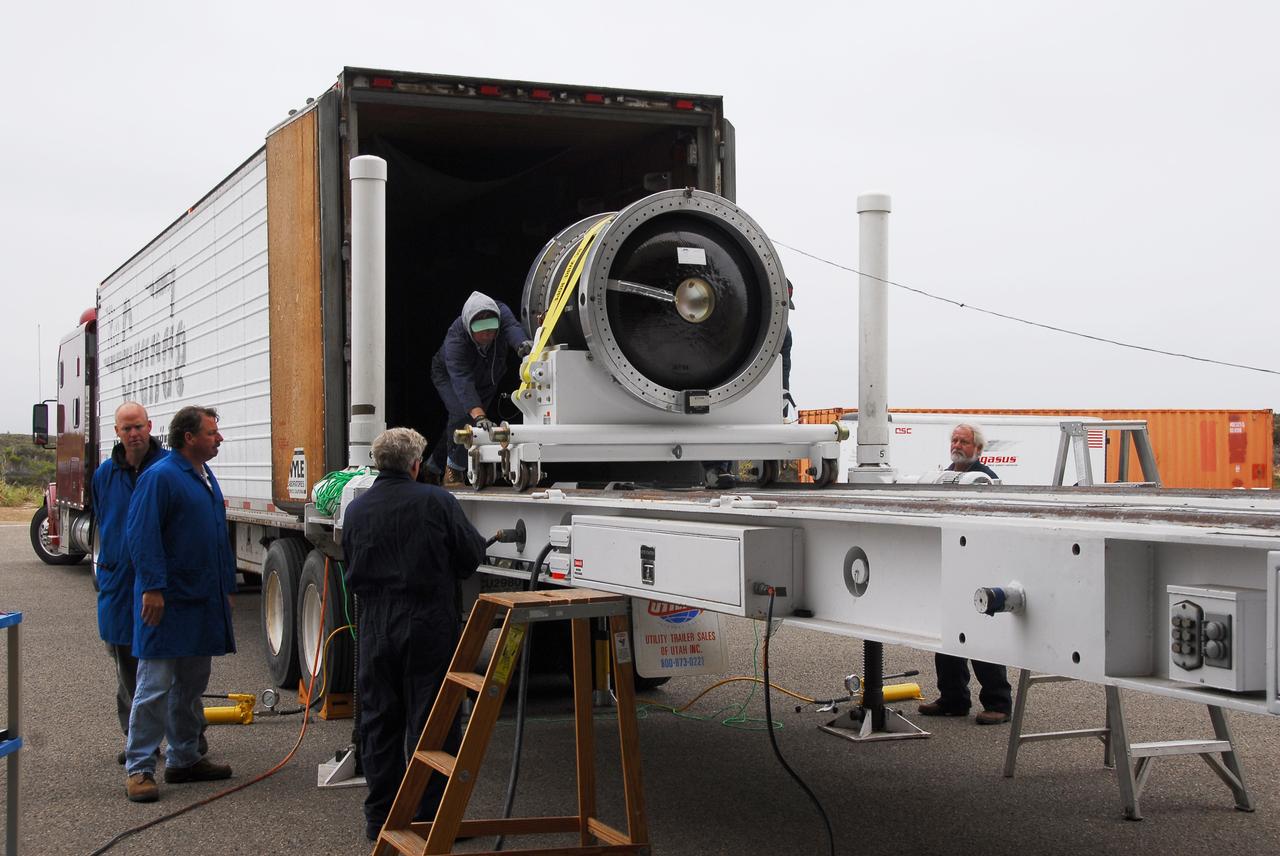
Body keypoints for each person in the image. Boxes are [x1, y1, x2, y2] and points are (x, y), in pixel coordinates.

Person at [341, 427, 487, 841]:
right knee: (433, 719)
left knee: (379, 719)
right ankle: (431, 816)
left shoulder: (357, 509)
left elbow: (351, 560)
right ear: (416, 465)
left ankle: (381, 818)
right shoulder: (437, 501)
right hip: (427, 621)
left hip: (375, 622)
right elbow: (469, 558)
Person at [123, 405, 237, 802]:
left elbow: (215, 537)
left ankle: (184, 759)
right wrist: (152, 587)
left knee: (191, 686)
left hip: (199, 601)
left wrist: (225, 587)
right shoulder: (161, 477)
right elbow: (142, 534)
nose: (219, 438)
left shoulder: (202, 475)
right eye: (211, 432)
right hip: (167, 603)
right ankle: (139, 769)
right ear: (189, 438)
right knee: (154, 686)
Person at [918, 423, 1012, 725]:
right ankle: (953, 699)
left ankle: (998, 703)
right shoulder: (944, 477)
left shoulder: (987, 480)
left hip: (980, 566)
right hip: (951, 564)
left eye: (964, 441)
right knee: (948, 634)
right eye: (954, 440)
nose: (957, 445)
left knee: (981, 635)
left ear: (978, 449)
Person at [91, 402, 166, 766]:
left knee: (170, 667)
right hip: (119, 584)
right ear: (117, 433)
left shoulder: (167, 469)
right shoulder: (104, 475)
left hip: (159, 584)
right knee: (126, 667)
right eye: (126, 428)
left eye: (138, 427)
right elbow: (104, 518)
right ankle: (137, 739)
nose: (134, 434)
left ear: (149, 426)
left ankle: (187, 739)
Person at [426, 291, 530, 486]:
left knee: (466, 423)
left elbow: (512, 328)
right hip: (450, 376)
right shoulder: (455, 340)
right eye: (481, 329)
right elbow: (461, 379)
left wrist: (522, 345)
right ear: (469, 327)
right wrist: (479, 415)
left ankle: (433, 466)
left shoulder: (502, 313)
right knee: (463, 415)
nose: (488, 334)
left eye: (492, 328)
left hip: (487, 375)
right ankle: (454, 469)